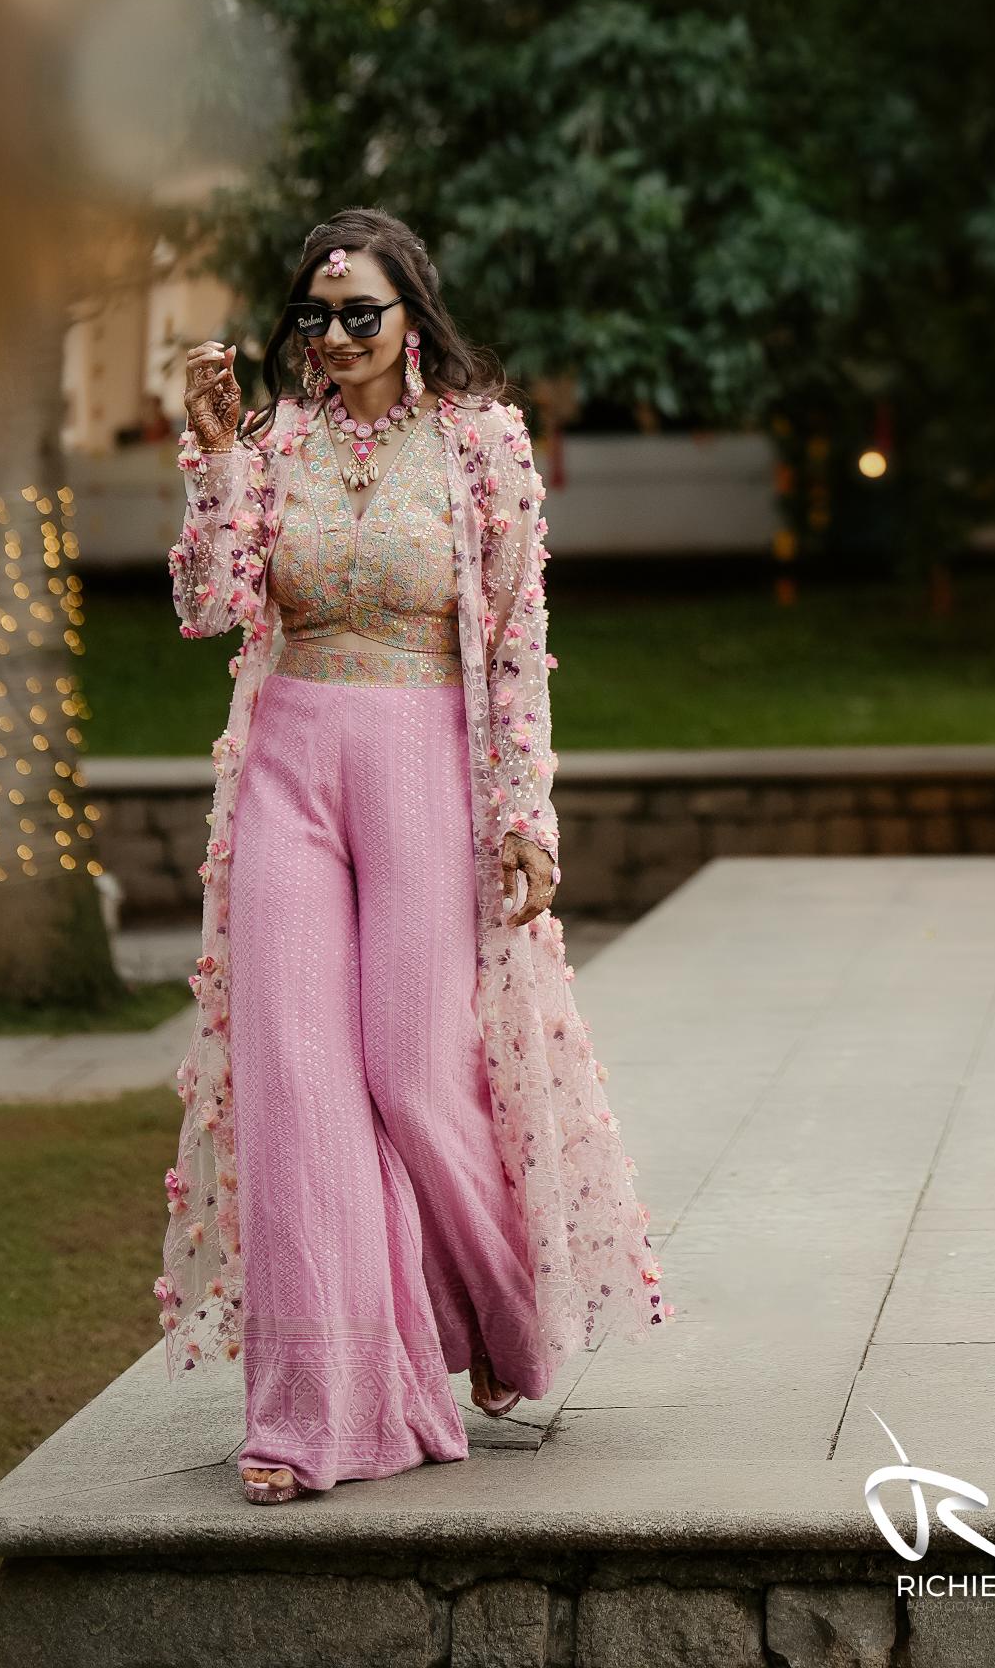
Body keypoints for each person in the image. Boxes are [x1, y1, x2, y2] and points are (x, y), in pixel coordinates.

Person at [161, 208, 668, 1504]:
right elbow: (210, 608)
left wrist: (524, 820)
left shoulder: (482, 445)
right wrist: (214, 459)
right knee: (293, 1084)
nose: (334, 336)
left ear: (410, 319)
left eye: (359, 315)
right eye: (315, 316)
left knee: (411, 1069)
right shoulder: (274, 442)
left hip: (422, 767)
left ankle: (497, 1317)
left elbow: (514, 643)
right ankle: (312, 1412)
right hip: (288, 766)